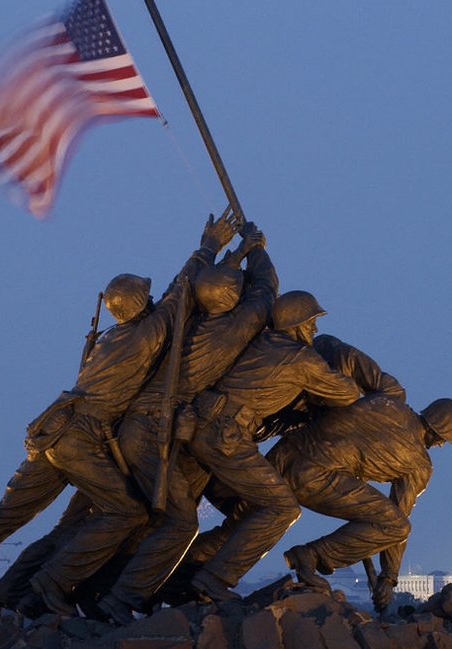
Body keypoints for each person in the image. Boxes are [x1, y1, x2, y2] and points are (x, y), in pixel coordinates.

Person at [0, 214, 237, 620]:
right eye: (146, 297)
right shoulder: (145, 336)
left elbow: (169, 297)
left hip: (53, 431)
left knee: (4, 516)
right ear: (141, 305)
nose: (151, 299)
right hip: (81, 437)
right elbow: (179, 294)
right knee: (126, 512)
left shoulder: (111, 337)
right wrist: (207, 246)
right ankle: (54, 582)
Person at [94, 221, 278, 622]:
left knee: (156, 517)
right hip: (151, 431)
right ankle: (120, 598)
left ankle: (121, 591)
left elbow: (186, 286)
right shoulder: (233, 329)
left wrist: (220, 251)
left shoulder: (179, 320)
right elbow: (265, 292)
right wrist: (257, 250)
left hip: (141, 428)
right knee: (180, 523)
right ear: (233, 299)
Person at [185, 291, 362, 601]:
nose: (314, 331)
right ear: (295, 324)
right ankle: (214, 578)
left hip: (206, 427)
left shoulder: (261, 343)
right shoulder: (300, 358)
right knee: (282, 508)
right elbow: (347, 394)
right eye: (311, 324)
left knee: (248, 512)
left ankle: (182, 575)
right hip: (226, 436)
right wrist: (338, 363)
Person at [274, 394, 452, 612]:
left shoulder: (388, 403)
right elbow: (397, 519)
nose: (441, 445)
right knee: (396, 525)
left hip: (284, 452)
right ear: (436, 431)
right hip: (312, 475)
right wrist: (388, 578)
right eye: (444, 439)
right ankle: (309, 556)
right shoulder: (418, 463)